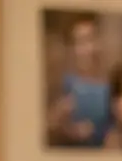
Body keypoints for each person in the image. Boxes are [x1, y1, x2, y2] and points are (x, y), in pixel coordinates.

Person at [47, 12, 111, 147]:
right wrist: (66, 128)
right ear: (73, 48)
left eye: (92, 39)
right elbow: (47, 126)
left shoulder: (111, 83)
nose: (89, 48)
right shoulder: (61, 84)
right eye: (81, 42)